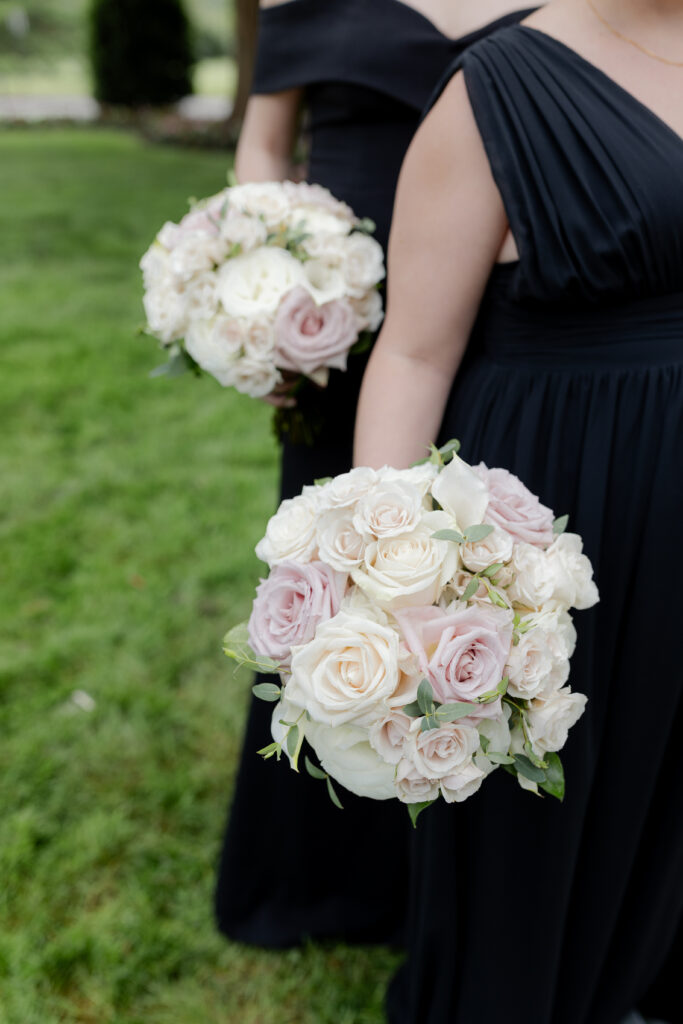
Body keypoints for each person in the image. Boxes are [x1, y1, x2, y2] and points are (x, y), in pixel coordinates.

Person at [353, 0, 683, 1020]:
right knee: (564, 780)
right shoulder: (497, 87)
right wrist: (381, 574)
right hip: (578, 491)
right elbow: (412, 350)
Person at [215, 0, 542, 949]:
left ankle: (477, 871)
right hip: (344, 342)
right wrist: (267, 296)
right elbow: (264, 149)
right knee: (333, 592)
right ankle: (325, 877)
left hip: (508, 327)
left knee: (486, 589)